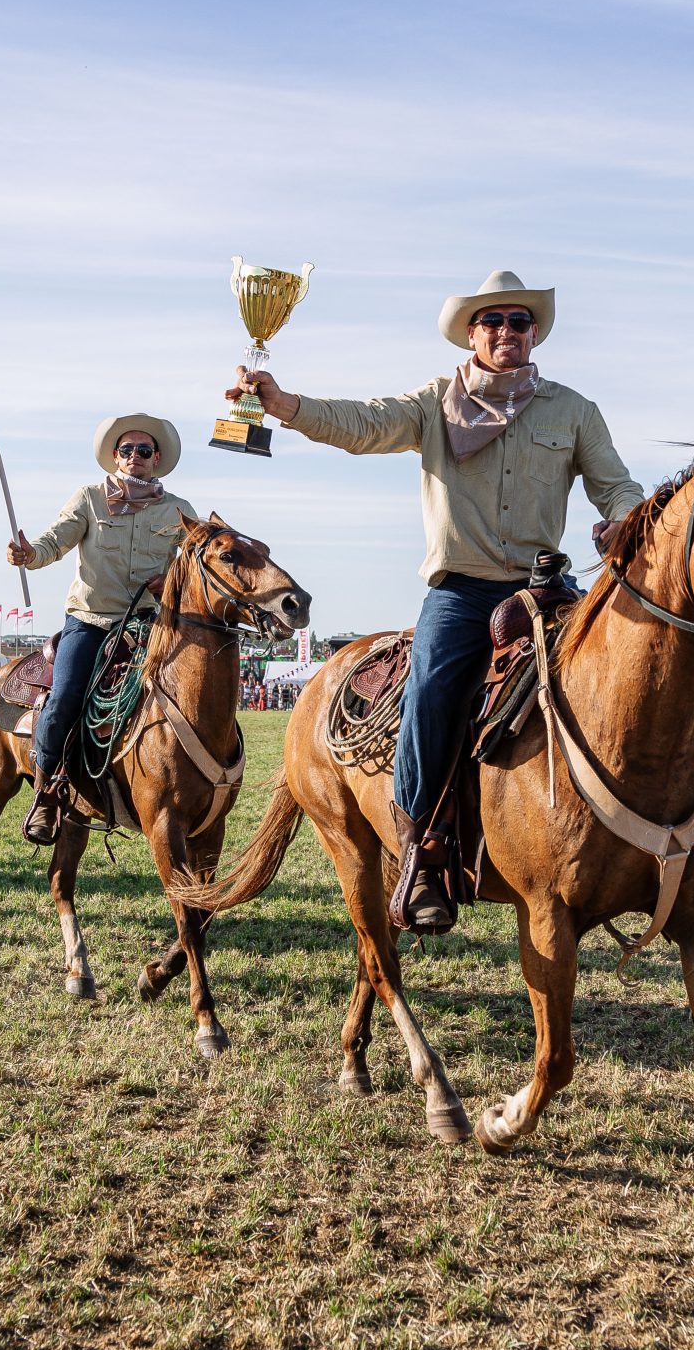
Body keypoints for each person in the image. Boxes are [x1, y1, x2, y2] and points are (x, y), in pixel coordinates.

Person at [226, 268, 643, 934]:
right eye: (494, 322)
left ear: (535, 334)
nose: (508, 331)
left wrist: (626, 519)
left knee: (624, 675)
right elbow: (360, 423)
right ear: (472, 333)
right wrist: (284, 404)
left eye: (520, 322)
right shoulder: (432, 403)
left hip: (546, 591)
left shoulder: (574, 411)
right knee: (430, 691)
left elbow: (615, 486)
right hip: (462, 589)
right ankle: (421, 850)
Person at [4, 414, 198, 845]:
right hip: (91, 621)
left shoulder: (180, 510)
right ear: (115, 457)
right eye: (126, 450)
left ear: (157, 458)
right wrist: (28, 554)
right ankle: (48, 793)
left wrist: (173, 581)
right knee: (65, 698)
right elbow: (54, 541)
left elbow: (195, 564)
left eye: (144, 451)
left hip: (154, 624)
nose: (135, 457)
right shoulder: (89, 498)